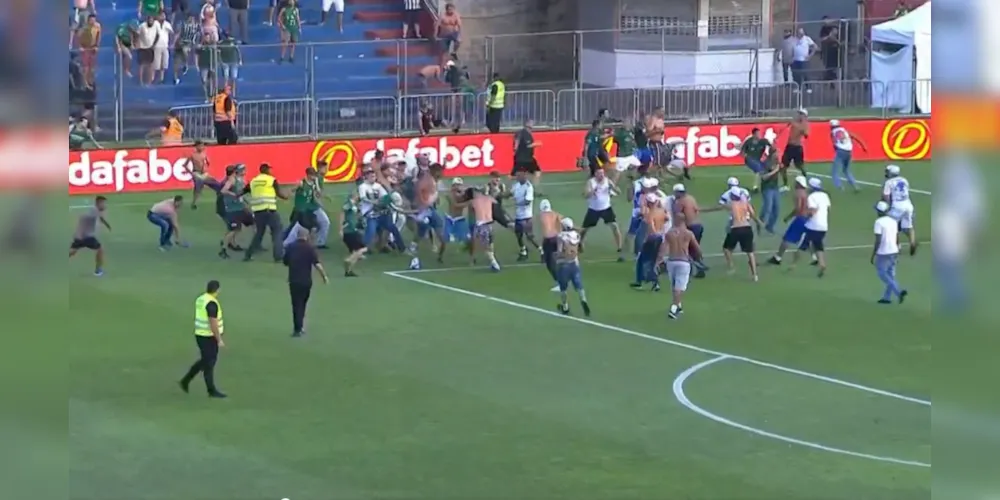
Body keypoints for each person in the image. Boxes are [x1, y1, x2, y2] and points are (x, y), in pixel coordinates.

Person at [179, 279, 227, 398]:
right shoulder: (212, 303)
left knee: (207, 361)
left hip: (200, 334)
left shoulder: (201, 299)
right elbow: (213, 322)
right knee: (209, 362)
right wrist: (219, 339)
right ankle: (208, 389)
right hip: (208, 337)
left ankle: (187, 381)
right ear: (217, 290)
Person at [284, 226, 329, 337]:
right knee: (303, 304)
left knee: (296, 304)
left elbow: (285, 261)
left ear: (297, 235)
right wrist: (324, 277)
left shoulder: (290, 247)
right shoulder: (310, 248)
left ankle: (297, 328)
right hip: (306, 281)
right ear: (306, 236)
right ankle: (300, 327)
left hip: (294, 280)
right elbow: (317, 264)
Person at [767, 176, 817, 266]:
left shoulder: (798, 193)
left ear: (798, 183)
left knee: (787, 238)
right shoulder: (805, 193)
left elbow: (798, 208)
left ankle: (778, 257)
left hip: (800, 219)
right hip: (807, 219)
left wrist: (788, 217)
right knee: (806, 239)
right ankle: (815, 257)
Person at [659, 212, 701, 319]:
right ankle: (674, 308)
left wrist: (659, 260)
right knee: (679, 287)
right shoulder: (688, 233)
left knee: (674, 285)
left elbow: (663, 248)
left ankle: (679, 305)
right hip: (683, 262)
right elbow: (697, 248)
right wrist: (699, 257)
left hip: (671, 261)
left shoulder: (670, 233)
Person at [243, 164, 288, 261]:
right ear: (267, 170)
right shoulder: (271, 180)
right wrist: (287, 195)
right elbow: (281, 194)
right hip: (270, 209)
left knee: (259, 233)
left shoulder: (253, 181)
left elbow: (243, 191)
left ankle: (248, 254)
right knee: (277, 231)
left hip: (258, 211)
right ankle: (278, 255)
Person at [789, 177, 830, 277]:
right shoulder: (825, 195)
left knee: (801, 246)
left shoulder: (811, 197)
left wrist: (806, 215)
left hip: (812, 226)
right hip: (823, 226)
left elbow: (812, 210)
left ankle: (793, 265)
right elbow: (828, 209)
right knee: (818, 245)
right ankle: (822, 263)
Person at [579, 167, 623, 260]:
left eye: (602, 173)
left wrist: (613, 188)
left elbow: (619, 192)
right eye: (599, 173)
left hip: (606, 208)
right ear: (595, 174)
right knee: (585, 229)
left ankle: (619, 247)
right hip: (593, 209)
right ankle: (580, 243)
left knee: (615, 227)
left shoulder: (608, 181)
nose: (601, 175)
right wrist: (592, 192)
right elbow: (585, 195)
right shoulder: (591, 182)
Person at [871, 201, 908, 304]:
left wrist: (874, 253)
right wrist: (898, 248)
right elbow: (897, 236)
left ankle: (898, 292)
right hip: (894, 251)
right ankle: (886, 298)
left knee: (882, 273)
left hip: (884, 252)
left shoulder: (878, 222)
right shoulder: (893, 221)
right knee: (890, 275)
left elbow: (878, 239)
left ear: (879, 212)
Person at [721, 190, 762, 281]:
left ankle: (731, 266)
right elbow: (753, 215)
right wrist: (759, 223)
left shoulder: (731, 204)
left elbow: (719, 207)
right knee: (750, 252)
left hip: (736, 228)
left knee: (726, 248)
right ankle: (755, 275)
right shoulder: (746, 203)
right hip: (747, 228)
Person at [631, 193, 668, 291]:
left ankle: (643, 282)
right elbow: (666, 219)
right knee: (652, 261)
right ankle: (653, 283)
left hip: (652, 238)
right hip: (660, 237)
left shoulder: (649, 214)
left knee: (642, 260)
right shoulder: (661, 211)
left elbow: (650, 227)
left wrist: (647, 239)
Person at [555, 218, 591, 316]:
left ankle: (565, 306)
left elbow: (559, 251)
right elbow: (581, 248)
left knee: (563, 288)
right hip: (574, 263)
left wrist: (555, 256)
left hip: (563, 264)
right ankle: (583, 300)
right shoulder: (576, 235)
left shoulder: (561, 236)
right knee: (579, 285)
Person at [671, 183, 708, 278]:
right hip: (698, 225)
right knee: (694, 248)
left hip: (690, 227)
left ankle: (694, 269)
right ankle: (699, 268)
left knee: (687, 249)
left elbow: (678, 215)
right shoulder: (691, 198)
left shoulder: (679, 202)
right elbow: (696, 210)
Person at [70, 196, 111, 276]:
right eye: (103, 203)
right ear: (98, 203)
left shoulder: (93, 210)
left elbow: (100, 217)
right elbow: (87, 219)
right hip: (86, 236)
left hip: (81, 236)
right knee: (100, 250)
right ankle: (98, 271)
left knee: (72, 251)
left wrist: (107, 225)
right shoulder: (93, 211)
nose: (105, 205)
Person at [882, 164, 918, 256]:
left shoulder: (889, 182)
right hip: (908, 205)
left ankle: (897, 246)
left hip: (897, 206)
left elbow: (886, 196)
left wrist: (888, 205)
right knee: (909, 226)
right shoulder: (904, 180)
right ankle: (912, 242)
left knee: (892, 226)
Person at [218, 164, 253, 258]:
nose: (245, 171)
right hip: (233, 209)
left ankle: (255, 244)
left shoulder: (242, 181)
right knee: (233, 229)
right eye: (243, 169)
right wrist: (233, 194)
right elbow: (223, 190)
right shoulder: (232, 180)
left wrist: (247, 202)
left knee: (254, 223)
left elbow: (240, 194)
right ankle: (224, 249)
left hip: (240, 207)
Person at [283, 167, 322, 249]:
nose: (314, 177)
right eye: (312, 175)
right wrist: (288, 195)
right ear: (308, 175)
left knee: (314, 226)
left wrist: (317, 186)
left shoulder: (313, 185)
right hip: (299, 211)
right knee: (294, 228)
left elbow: (316, 195)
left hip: (306, 211)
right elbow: (291, 190)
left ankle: (307, 245)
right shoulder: (302, 183)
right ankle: (283, 241)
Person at [511, 168, 541, 261]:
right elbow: (510, 193)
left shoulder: (528, 187)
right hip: (518, 215)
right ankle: (523, 251)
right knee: (518, 234)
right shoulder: (516, 185)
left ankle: (542, 250)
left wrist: (517, 203)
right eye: (516, 176)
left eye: (519, 175)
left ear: (524, 175)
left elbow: (528, 201)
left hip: (526, 216)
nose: (517, 177)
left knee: (529, 236)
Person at [830, 119, 867, 192]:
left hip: (840, 151)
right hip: (849, 151)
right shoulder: (844, 130)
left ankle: (840, 187)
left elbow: (834, 143)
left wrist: (837, 151)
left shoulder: (832, 132)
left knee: (835, 172)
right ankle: (855, 186)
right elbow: (855, 137)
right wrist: (863, 146)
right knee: (846, 170)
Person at [779, 108, 810, 190]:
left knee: (800, 166)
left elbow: (806, 135)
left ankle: (805, 182)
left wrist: (802, 130)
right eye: (799, 113)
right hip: (789, 146)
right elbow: (786, 126)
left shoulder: (805, 124)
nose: (799, 115)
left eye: (801, 114)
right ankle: (786, 185)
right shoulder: (794, 121)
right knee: (783, 166)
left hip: (797, 147)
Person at [470, 188, 500, 271]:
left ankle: (494, 263)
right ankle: (492, 260)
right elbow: (496, 202)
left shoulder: (474, 201)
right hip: (490, 224)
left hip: (481, 225)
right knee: (490, 243)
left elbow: (472, 211)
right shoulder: (489, 198)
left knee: (484, 246)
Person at [537, 199, 564, 292]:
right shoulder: (555, 214)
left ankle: (560, 283)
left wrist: (540, 246)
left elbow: (543, 231)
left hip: (548, 240)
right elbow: (563, 221)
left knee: (550, 263)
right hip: (557, 238)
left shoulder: (541, 216)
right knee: (557, 260)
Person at [339, 192, 368, 276]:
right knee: (363, 249)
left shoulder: (354, 205)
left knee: (355, 252)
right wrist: (340, 228)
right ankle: (349, 259)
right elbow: (342, 213)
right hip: (349, 231)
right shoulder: (348, 204)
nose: (358, 196)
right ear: (354, 196)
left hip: (352, 230)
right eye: (357, 195)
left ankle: (348, 271)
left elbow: (357, 215)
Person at [757, 151, 782, 234]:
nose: (778, 156)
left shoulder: (777, 163)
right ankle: (759, 224)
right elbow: (763, 177)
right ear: (772, 155)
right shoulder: (765, 164)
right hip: (767, 188)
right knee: (767, 208)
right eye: (777, 154)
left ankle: (770, 226)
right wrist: (775, 171)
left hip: (775, 187)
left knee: (776, 209)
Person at [512, 119, 542, 185]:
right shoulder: (525, 133)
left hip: (523, 157)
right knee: (536, 172)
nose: (533, 124)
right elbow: (528, 145)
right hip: (525, 158)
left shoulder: (521, 132)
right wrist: (537, 144)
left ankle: (530, 187)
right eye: (531, 123)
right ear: (527, 124)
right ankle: (532, 188)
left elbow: (516, 142)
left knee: (517, 174)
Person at [184, 139, 211, 208]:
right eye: (200, 146)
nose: (202, 147)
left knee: (203, 186)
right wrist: (191, 173)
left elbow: (208, 163)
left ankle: (196, 201)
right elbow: (185, 165)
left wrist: (206, 164)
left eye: (202, 146)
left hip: (204, 173)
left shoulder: (204, 154)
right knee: (198, 187)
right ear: (196, 147)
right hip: (196, 172)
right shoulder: (192, 155)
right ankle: (194, 202)